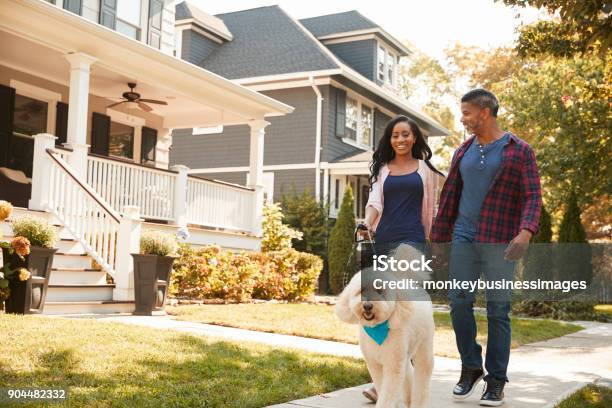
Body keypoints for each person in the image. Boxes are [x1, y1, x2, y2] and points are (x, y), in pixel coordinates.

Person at [431, 89, 542, 406]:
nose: (462, 118)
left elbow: (533, 196)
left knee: (497, 310)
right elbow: (449, 197)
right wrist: (440, 239)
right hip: (464, 237)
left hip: (500, 241)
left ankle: (496, 380)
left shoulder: (519, 150)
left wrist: (526, 232)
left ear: (484, 112)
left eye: (466, 112)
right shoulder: (462, 151)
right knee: (458, 303)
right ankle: (470, 367)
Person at [358, 114, 443, 403]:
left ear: (415, 137)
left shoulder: (426, 170)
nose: (401, 139)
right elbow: (374, 202)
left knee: (406, 306)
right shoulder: (382, 169)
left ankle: (404, 366)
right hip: (384, 239)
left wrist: (437, 243)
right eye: (395, 135)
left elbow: (432, 210)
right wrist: (366, 223)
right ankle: (384, 379)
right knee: (384, 306)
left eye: (406, 134)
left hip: (413, 242)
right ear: (390, 139)